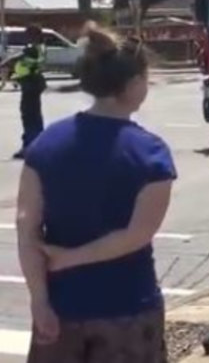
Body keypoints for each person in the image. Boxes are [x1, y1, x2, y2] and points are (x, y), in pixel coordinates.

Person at [15, 22, 175, 363]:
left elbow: (26, 226)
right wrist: (71, 258)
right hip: (128, 306)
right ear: (133, 86)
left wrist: (39, 301)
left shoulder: (45, 146)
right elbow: (137, 235)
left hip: (60, 308)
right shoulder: (151, 153)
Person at [4, 25, 48, 159]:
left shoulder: (32, 49)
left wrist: (3, 64)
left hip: (31, 83)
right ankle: (36, 146)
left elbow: (15, 58)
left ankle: (30, 147)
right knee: (34, 116)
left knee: (29, 116)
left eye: (27, 34)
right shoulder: (40, 47)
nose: (25, 36)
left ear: (33, 35)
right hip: (33, 83)